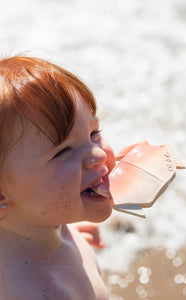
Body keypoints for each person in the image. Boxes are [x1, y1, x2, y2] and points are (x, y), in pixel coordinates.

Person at [0, 56, 115, 299]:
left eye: (94, 133)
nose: (97, 153)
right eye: (63, 151)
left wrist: (64, 229)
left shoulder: (41, 224)